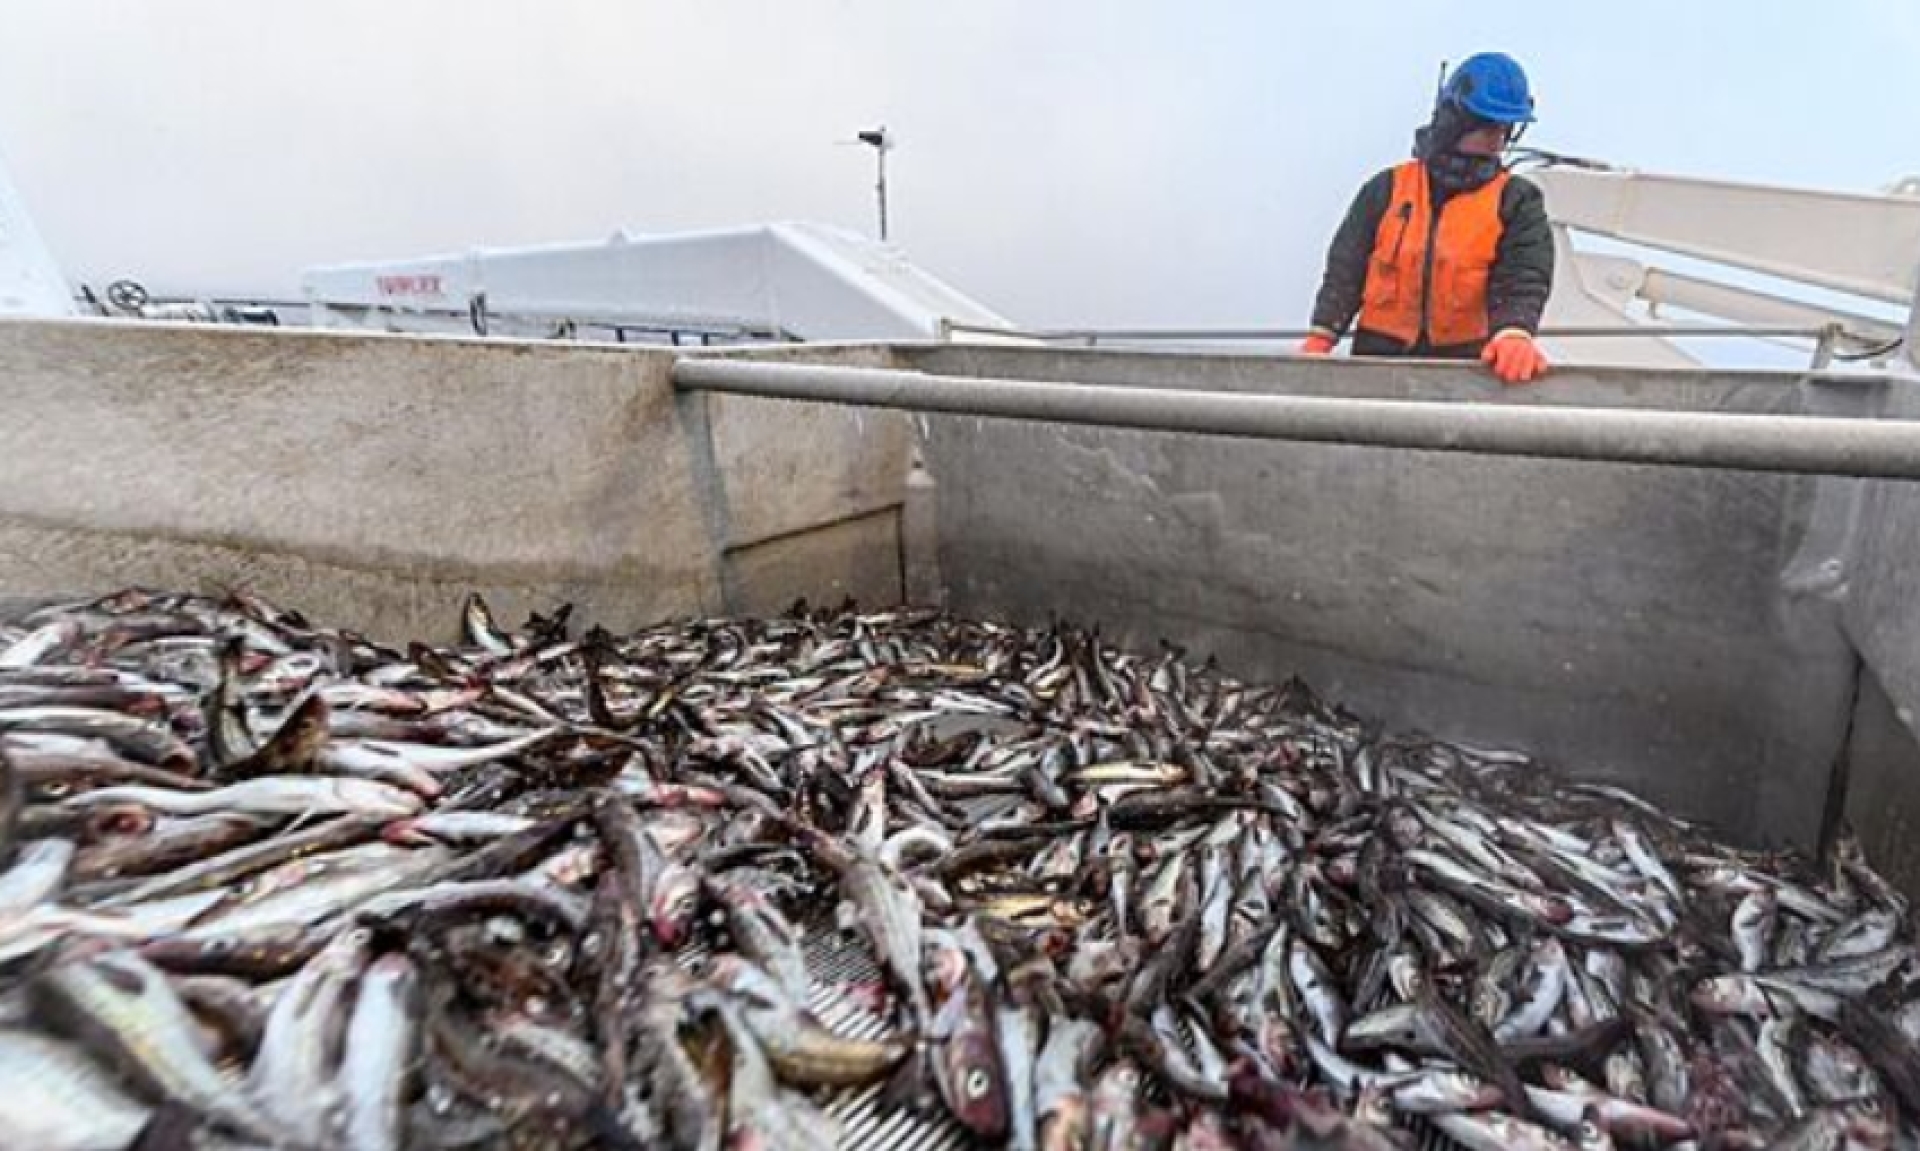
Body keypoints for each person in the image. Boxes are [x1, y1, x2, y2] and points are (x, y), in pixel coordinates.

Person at [1296, 52, 1554, 385]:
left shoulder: (1517, 200)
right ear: (1455, 121)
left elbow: (1524, 275)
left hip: (1465, 372)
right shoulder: (1385, 189)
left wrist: (1515, 332)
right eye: (1488, 126)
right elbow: (1346, 270)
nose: (1498, 140)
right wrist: (1323, 333)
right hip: (1377, 365)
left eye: (1506, 129)